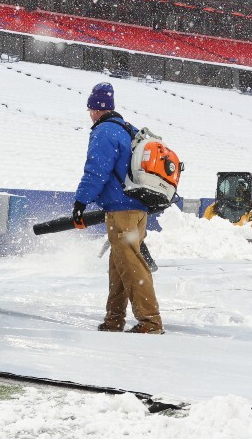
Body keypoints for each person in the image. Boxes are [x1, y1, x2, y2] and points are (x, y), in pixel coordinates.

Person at [73, 82, 164, 335]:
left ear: (96, 109)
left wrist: (81, 201)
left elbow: (96, 170)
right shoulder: (129, 130)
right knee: (119, 264)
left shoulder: (104, 132)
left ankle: (150, 321)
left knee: (131, 264)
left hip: (121, 209)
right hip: (138, 208)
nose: (90, 114)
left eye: (91, 109)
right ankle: (114, 319)